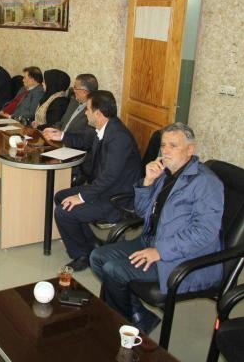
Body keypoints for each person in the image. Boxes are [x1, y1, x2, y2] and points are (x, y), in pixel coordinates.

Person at [90, 123, 223, 334]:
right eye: (163, 145)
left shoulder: (206, 183)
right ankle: (137, 316)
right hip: (151, 241)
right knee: (97, 257)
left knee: (113, 270)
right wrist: (148, 182)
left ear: (190, 150)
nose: (165, 151)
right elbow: (142, 211)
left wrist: (160, 251)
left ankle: (120, 328)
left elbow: (205, 233)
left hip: (179, 258)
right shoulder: (165, 173)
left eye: (173, 146)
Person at [46, 91, 142, 271]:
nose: (85, 113)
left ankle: (81, 256)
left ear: (98, 113)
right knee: (61, 197)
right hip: (105, 189)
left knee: (63, 212)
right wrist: (61, 135)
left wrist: (81, 197)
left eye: (88, 109)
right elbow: (84, 140)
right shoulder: (105, 127)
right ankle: (90, 244)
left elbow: (109, 177)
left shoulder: (119, 137)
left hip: (117, 197)